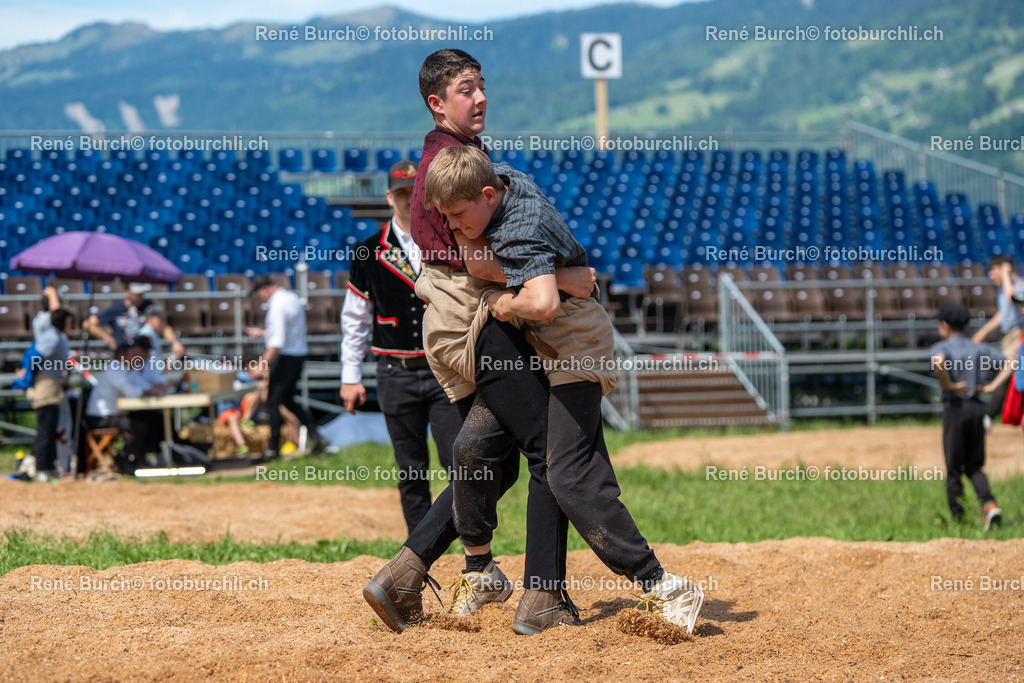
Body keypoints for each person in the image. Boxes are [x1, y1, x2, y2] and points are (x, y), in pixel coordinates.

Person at [422, 143, 705, 635]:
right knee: (472, 447)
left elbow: (546, 302)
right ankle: (481, 571)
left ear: (490, 195)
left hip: (573, 340)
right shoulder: (497, 180)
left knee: (570, 474)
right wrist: (564, 275)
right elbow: (476, 261)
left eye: (459, 215)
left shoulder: (521, 226)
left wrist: (509, 304)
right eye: (445, 216)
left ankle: (662, 584)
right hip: (535, 342)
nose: (453, 227)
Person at [363, 48, 596, 635]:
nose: (481, 97)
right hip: (475, 321)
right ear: (437, 103)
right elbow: (476, 260)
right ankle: (542, 597)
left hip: (460, 320)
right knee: (549, 452)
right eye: (466, 89)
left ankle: (404, 575)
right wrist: (563, 279)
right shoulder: (450, 161)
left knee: (495, 461)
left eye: (482, 85)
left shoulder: (454, 154)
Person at [340, 159, 462, 534]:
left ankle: (470, 544)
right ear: (390, 197)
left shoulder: (449, 240)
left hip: (445, 372)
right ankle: (418, 552)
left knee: (459, 463)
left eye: (416, 193)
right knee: (411, 471)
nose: (410, 201)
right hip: (396, 374)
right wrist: (350, 377)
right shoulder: (367, 251)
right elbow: (355, 320)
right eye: (403, 193)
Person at [931, 302, 1008, 530]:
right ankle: (989, 505)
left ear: (944, 326)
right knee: (974, 466)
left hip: (955, 408)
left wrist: (949, 385)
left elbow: (938, 362)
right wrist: (993, 386)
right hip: (977, 408)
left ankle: (959, 520)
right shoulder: (979, 348)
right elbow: (1010, 362)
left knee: (954, 468)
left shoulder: (942, 347)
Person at [245, 276, 327, 463]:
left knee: (273, 401)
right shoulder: (290, 298)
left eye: (258, 293)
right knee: (289, 400)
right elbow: (288, 333)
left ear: (264, 289)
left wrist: (261, 365)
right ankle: (316, 437)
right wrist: (264, 333)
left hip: (285, 357)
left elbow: (277, 343)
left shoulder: (277, 305)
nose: (259, 298)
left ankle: (272, 449)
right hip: (297, 354)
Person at [14, 286, 72, 482]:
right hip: (45, 387)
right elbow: (33, 357)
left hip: (51, 386)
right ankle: (41, 468)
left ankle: (44, 466)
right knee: (45, 429)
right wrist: (25, 380)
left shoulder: (57, 336)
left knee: (48, 428)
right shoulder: (51, 335)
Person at [85, 341, 167, 474]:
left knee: (154, 418)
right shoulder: (115, 369)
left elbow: (144, 386)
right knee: (139, 427)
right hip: (101, 417)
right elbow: (133, 393)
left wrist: (153, 389)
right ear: (123, 356)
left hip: (114, 414)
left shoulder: (127, 369)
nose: (137, 359)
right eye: (133, 355)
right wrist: (150, 390)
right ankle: (123, 458)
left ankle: (141, 456)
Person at [971, 256, 1024, 427]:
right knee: (1007, 372)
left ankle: (988, 415)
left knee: (1008, 371)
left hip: (1017, 334)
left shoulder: (1015, 286)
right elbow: (1003, 314)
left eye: (994, 271)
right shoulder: (1002, 289)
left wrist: (1007, 273)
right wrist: (984, 331)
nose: (991, 275)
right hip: (1008, 336)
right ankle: (989, 414)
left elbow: (1012, 299)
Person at [84, 283, 185, 358]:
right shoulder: (116, 308)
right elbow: (89, 324)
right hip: (124, 354)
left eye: (141, 293)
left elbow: (163, 326)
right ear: (126, 292)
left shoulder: (148, 306)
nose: (140, 296)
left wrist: (174, 342)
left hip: (145, 353)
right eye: (137, 293)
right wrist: (109, 339)